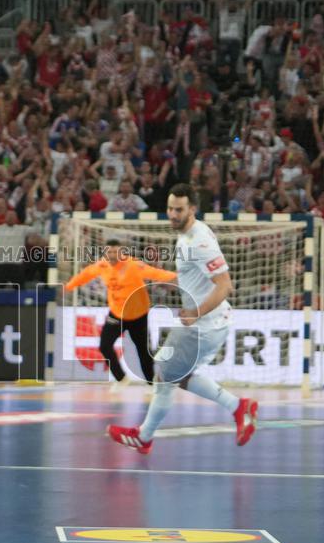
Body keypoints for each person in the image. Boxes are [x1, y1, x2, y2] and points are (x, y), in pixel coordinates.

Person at [107, 184, 259, 454]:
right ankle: (239, 407)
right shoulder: (189, 233)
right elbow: (199, 276)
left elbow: (225, 285)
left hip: (204, 324)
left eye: (179, 209)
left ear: (192, 209)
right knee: (176, 374)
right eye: (170, 208)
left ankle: (144, 437)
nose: (172, 214)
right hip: (210, 322)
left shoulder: (198, 241)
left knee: (164, 375)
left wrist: (195, 311)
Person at [64, 238, 176, 386]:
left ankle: (151, 383)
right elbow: (86, 274)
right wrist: (69, 286)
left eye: (115, 251)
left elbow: (154, 273)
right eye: (109, 251)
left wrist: (174, 276)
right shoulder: (102, 265)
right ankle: (121, 379)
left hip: (138, 315)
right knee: (104, 346)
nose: (112, 254)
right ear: (105, 252)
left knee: (143, 351)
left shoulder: (134, 265)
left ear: (122, 252)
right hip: (117, 314)